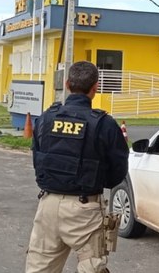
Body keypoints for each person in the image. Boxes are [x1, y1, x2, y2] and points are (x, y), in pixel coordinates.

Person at [25, 61, 129, 273]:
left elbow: (38, 159)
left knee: (39, 268)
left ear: (66, 84)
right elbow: (118, 169)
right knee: (91, 266)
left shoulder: (46, 118)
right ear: (95, 88)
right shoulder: (104, 123)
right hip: (85, 208)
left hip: (48, 205)